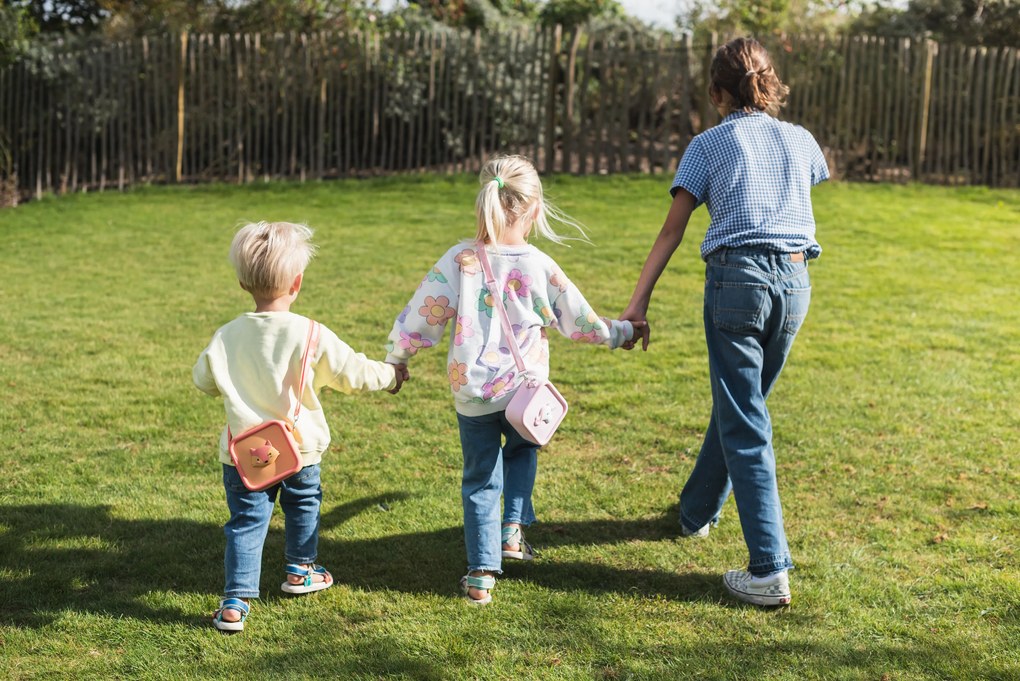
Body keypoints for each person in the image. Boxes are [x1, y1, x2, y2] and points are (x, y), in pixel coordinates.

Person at [620, 37, 829, 607]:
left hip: (738, 283)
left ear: (715, 93)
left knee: (745, 421)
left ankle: (768, 570)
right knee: (744, 408)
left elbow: (672, 230)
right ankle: (695, 513)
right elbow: (800, 190)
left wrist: (637, 303)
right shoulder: (802, 141)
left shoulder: (708, 145)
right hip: (794, 284)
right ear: (770, 84)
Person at [385, 155, 643, 606]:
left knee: (481, 479)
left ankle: (481, 575)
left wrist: (398, 357)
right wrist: (619, 333)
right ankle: (512, 531)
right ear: (535, 210)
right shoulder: (539, 264)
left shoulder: (458, 260)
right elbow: (578, 321)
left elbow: (422, 315)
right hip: (524, 392)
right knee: (523, 451)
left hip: (473, 392)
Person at [193, 221, 407, 631]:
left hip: (245, 454)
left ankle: (235, 602)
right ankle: (300, 569)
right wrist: (391, 375)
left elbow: (202, 380)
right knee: (304, 504)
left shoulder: (226, 336)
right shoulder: (311, 333)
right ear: (297, 282)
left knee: (245, 521)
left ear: (242, 282)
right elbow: (353, 372)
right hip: (299, 448)